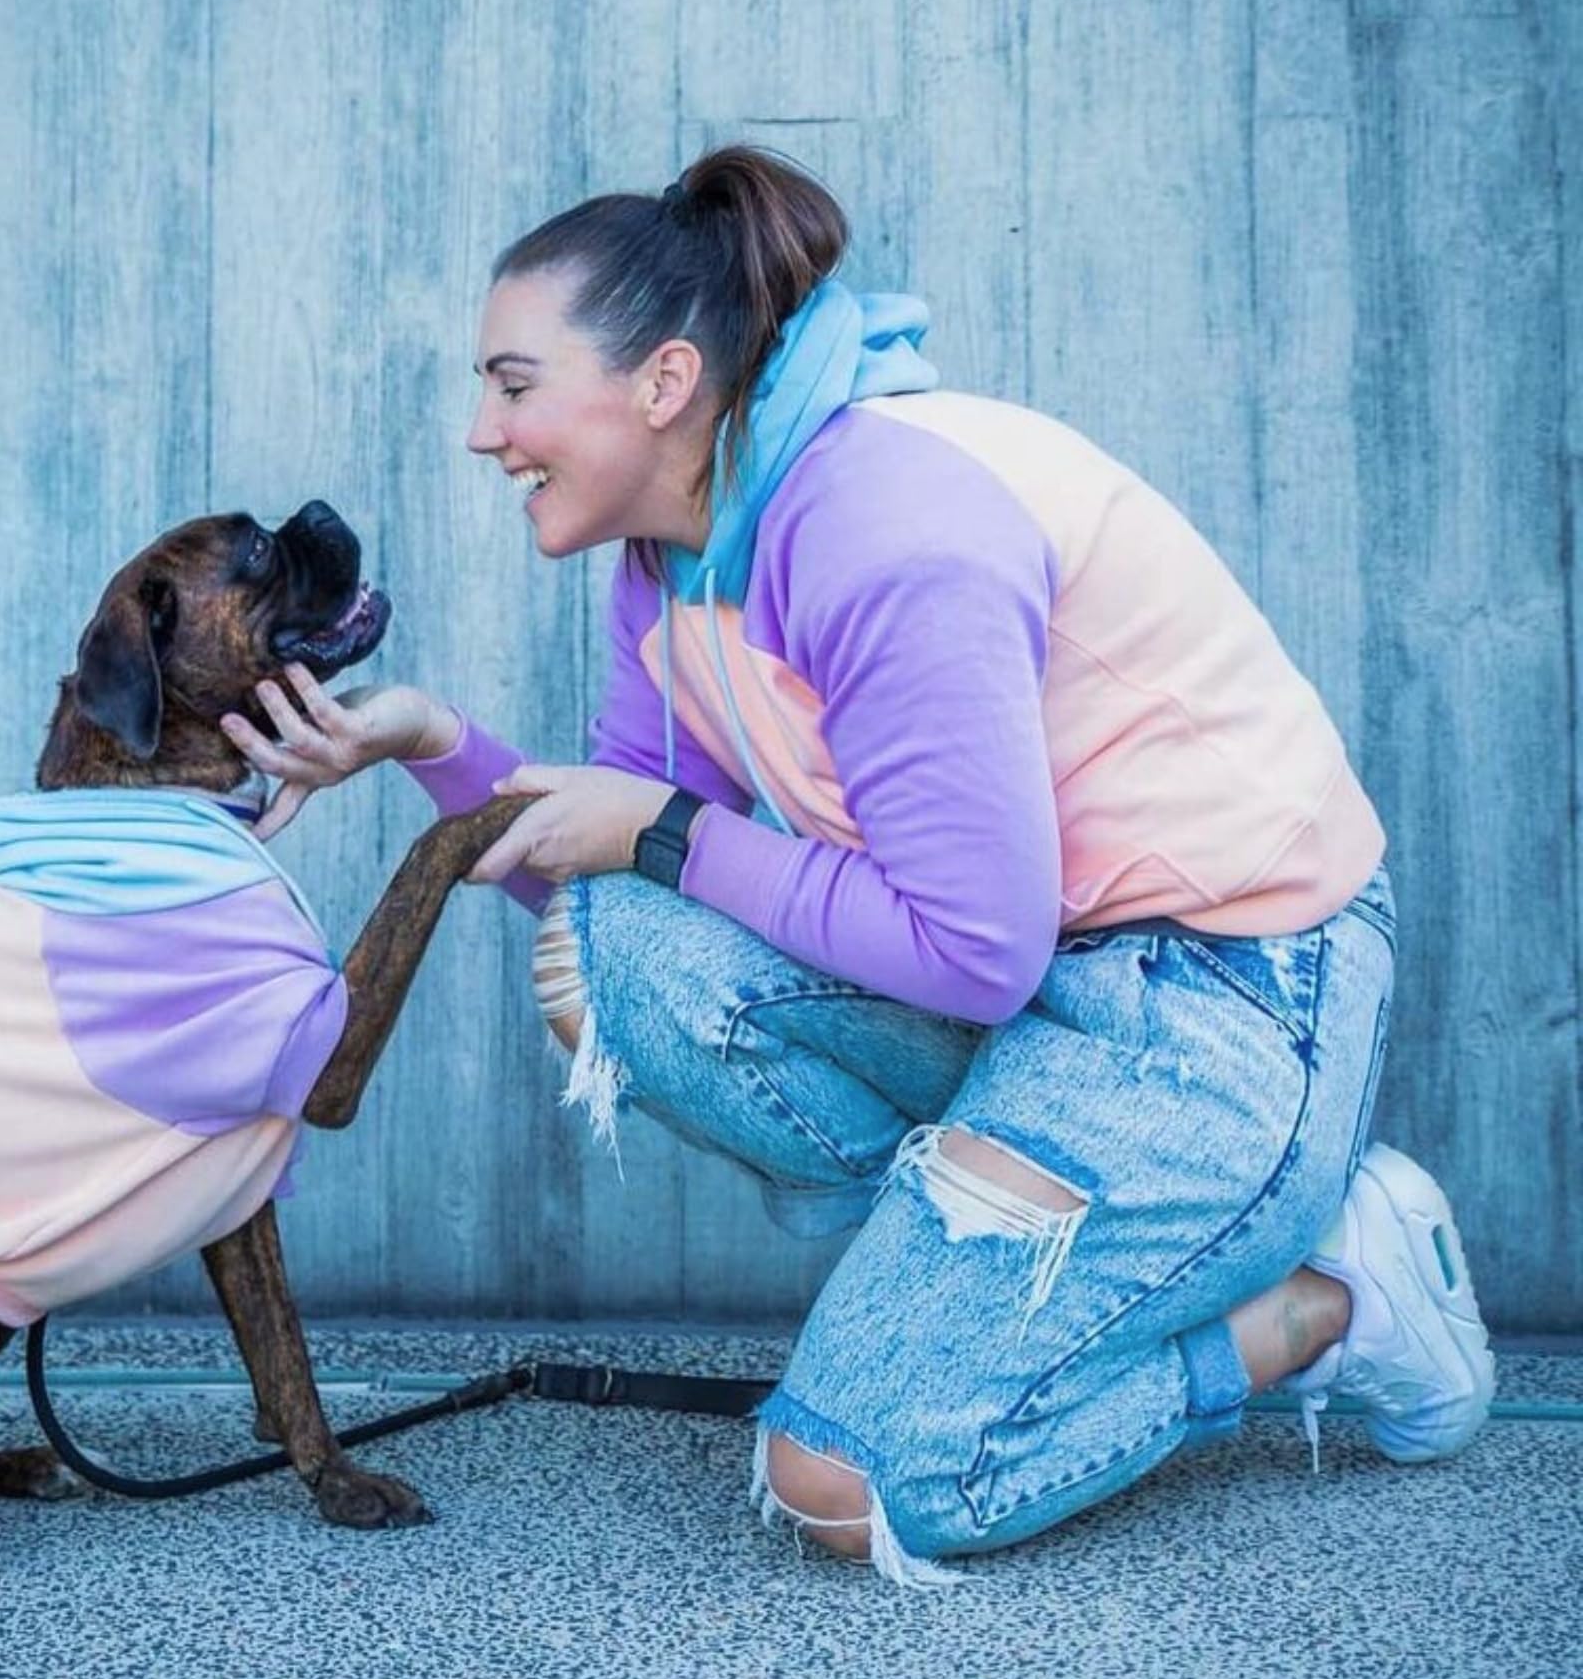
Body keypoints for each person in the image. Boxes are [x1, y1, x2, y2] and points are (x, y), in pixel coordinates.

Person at [221, 147, 1496, 1586]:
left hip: (1222, 998)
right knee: (618, 951)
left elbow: (967, 949)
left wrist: (659, 829)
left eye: (512, 385)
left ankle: (1326, 1298)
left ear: (662, 384)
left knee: (848, 1482)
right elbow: (622, 863)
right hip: (1044, 989)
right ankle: (997, 1261)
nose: (480, 431)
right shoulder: (673, 559)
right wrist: (425, 742)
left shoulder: (888, 530)